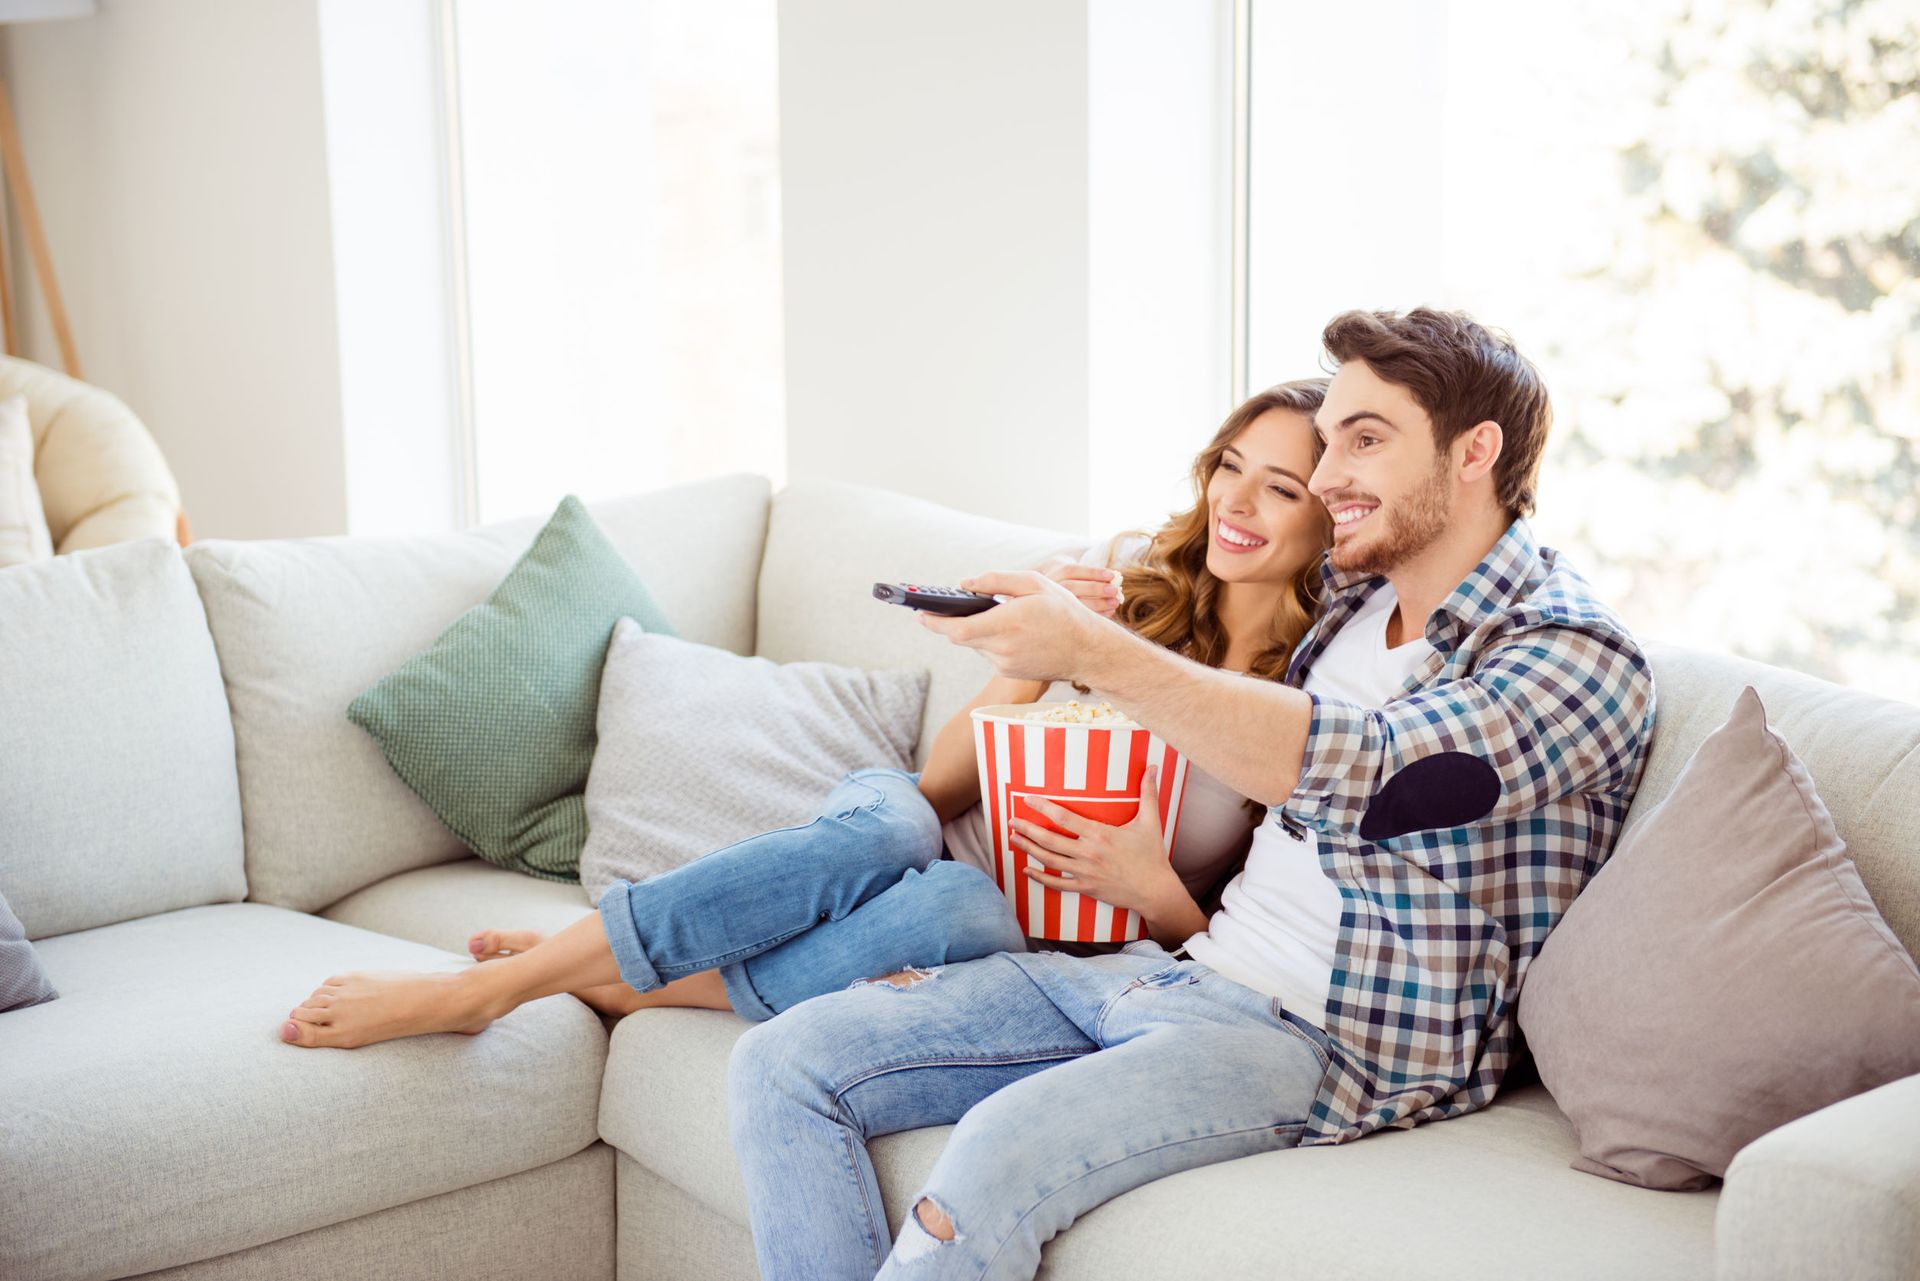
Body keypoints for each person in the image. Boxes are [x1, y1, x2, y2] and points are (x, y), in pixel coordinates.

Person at [722, 307, 1659, 1281]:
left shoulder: (1570, 657)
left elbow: (1371, 771)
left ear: (1477, 453)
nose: (1332, 474)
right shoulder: (1354, 593)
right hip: (1184, 966)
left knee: (996, 1151)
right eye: (1330, 440)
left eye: (1366, 441)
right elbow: (1219, 597)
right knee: (787, 1062)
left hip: (1322, 1040)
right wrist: (1082, 610)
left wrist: (1102, 655)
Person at [274, 378, 1334, 1049]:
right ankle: (503, 990)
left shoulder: (1303, 710)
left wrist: (1153, 892)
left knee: (962, 915)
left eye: (1282, 488)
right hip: (901, 831)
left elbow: (1232, 952)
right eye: (1231, 468)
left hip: (1001, 921)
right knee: (893, 824)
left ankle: (621, 980)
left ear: (1334, 513)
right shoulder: (1128, 599)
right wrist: (1036, 653)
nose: (1238, 503)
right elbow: (942, 787)